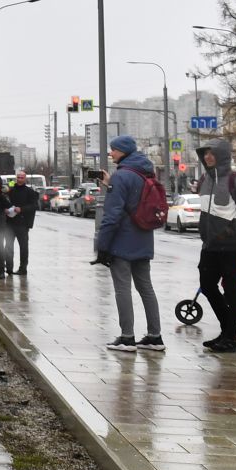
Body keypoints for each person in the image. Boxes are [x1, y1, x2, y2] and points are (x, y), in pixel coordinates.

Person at [95, 135, 164, 352]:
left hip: (122, 242)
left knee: (122, 289)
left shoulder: (121, 176)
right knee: (146, 288)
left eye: (113, 150)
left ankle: (127, 338)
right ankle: (155, 337)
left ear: (123, 151)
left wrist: (102, 245)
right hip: (144, 239)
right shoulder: (145, 173)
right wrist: (110, 184)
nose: (111, 153)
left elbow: (112, 215)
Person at [194, 140, 236, 353]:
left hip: (231, 247)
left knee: (232, 293)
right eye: (205, 154)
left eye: (212, 154)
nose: (207, 157)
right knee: (207, 286)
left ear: (222, 155)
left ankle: (232, 338)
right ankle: (227, 330)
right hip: (209, 246)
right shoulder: (205, 179)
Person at [5, 173, 40, 275]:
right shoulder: (11, 191)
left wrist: (22, 209)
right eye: (18, 177)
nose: (19, 179)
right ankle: (9, 268)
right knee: (8, 246)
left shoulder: (29, 192)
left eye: (22, 178)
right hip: (10, 222)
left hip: (23, 224)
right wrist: (6, 209)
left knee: (23, 247)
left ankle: (23, 268)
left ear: (25, 179)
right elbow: (6, 203)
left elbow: (34, 206)